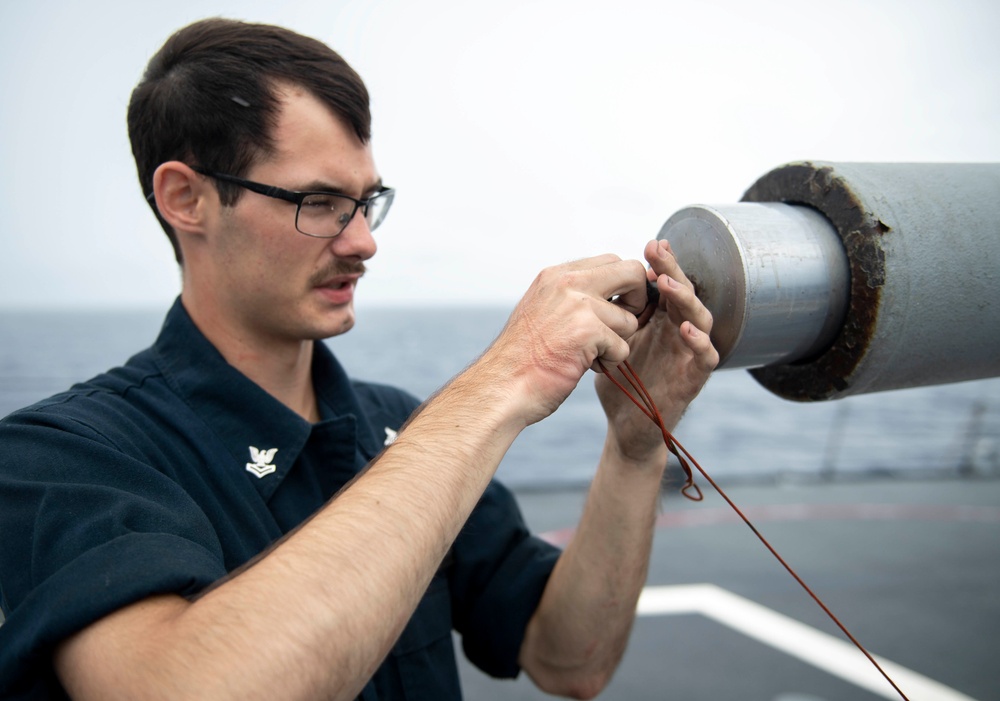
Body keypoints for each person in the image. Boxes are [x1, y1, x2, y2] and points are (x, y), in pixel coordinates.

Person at [0, 18, 717, 701]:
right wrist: (511, 372)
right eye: (318, 201)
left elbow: (570, 657)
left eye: (366, 201)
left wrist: (633, 446)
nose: (363, 242)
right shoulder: (62, 456)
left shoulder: (401, 429)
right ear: (186, 198)